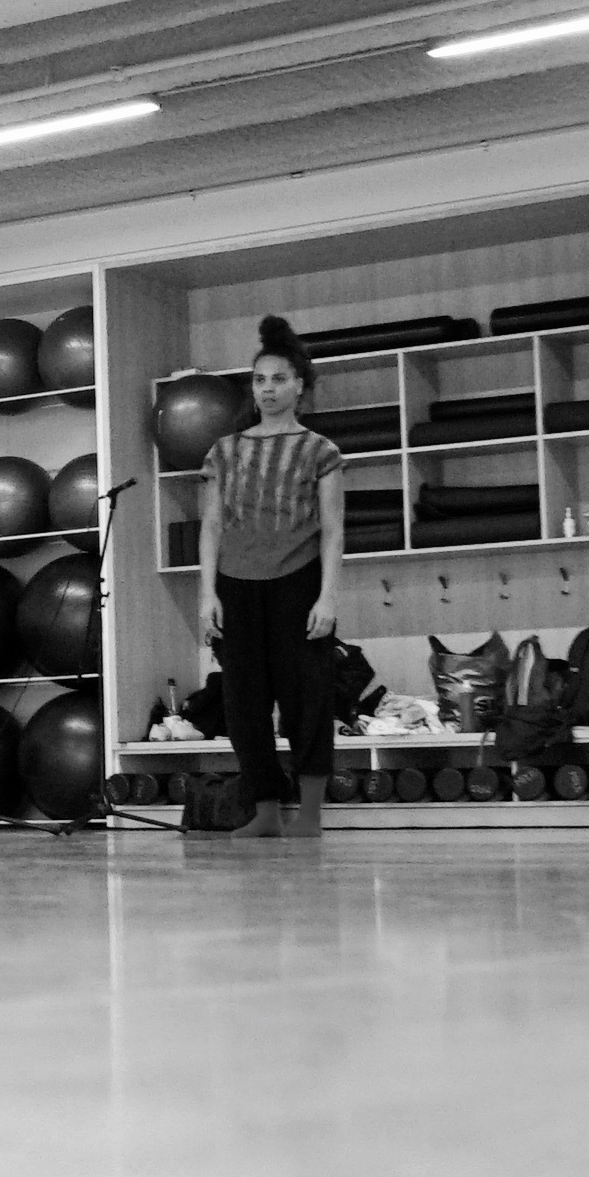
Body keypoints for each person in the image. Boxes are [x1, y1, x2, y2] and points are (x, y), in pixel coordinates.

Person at [193, 315, 348, 840]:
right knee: (243, 706)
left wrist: (328, 596)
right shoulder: (225, 451)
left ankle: (308, 813)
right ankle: (264, 812)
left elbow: (332, 531)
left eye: (279, 379)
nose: (269, 389)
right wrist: (207, 593)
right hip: (236, 588)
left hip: (298, 584)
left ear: (299, 385)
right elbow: (212, 526)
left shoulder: (320, 451)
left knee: (307, 699)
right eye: (260, 380)